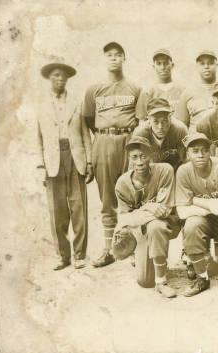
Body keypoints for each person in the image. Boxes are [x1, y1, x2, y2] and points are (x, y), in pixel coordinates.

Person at [82, 41, 141, 268]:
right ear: (105, 59)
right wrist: (103, 134)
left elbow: (140, 118)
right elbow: (88, 119)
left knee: (132, 194)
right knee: (107, 198)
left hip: (128, 140)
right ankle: (108, 250)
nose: (114, 58)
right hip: (104, 141)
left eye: (118, 55)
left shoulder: (135, 88)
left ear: (124, 58)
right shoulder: (93, 89)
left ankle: (135, 249)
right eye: (109, 55)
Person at [37, 60, 93, 270]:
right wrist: (40, 166)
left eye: (63, 76)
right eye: (56, 76)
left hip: (74, 157)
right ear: (49, 78)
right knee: (57, 210)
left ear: (67, 79)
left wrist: (89, 162)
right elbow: (38, 139)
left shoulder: (76, 103)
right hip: (53, 161)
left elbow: (85, 134)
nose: (60, 80)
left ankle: (80, 255)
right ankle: (63, 255)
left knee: (78, 208)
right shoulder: (42, 105)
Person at [114, 136, 179, 298]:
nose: (140, 162)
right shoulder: (122, 183)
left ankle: (161, 281)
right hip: (139, 231)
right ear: (129, 159)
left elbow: (164, 211)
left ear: (151, 156)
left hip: (166, 225)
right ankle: (142, 257)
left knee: (156, 225)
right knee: (144, 281)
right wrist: (149, 206)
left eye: (143, 156)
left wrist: (137, 215)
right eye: (134, 157)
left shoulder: (165, 170)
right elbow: (124, 220)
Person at [175, 133, 218, 296]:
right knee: (191, 225)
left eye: (204, 150)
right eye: (195, 151)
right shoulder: (183, 171)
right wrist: (211, 207)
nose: (200, 155)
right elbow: (182, 212)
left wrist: (195, 200)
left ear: (210, 151)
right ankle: (202, 277)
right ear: (188, 154)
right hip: (206, 222)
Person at [132, 98, 188, 172]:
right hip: (150, 173)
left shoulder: (180, 130)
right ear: (148, 119)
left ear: (170, 117)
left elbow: (186, 162)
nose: (160, 127)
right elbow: (134, 165)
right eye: (155, 121)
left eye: (165, 121)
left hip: (174, 172)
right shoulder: (140, 134)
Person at [135, 49, 184, 121]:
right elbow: (142, 121)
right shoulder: (147, 92)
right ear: (153, 66)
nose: (163, 67)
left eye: (166, 63)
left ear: (172, 65)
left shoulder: (182, 90)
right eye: (159, 63)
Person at [176, 50, 218, 131]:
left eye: (210, 63)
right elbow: (181, 126)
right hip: (197, 140)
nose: (206, 66)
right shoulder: (188, 92)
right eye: (202, 64)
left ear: (216, 65)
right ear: (197, 67)